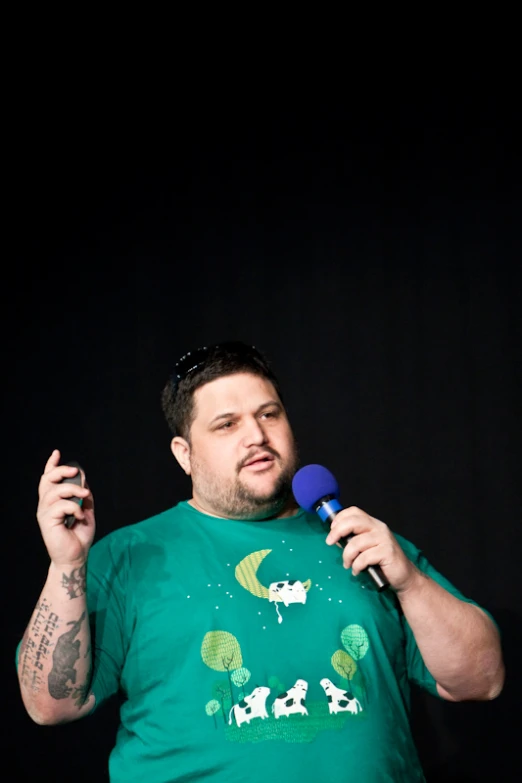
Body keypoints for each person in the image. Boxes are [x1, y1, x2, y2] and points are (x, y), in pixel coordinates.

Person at [17, 341, 505, 782]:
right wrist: (65, 567)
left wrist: (412, 584)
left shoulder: (360, 540)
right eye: (227, 424)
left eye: (269, 415)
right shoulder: (129, 556)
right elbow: (49, 706)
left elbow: (482, 681)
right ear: (184, 454)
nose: (256, 434)